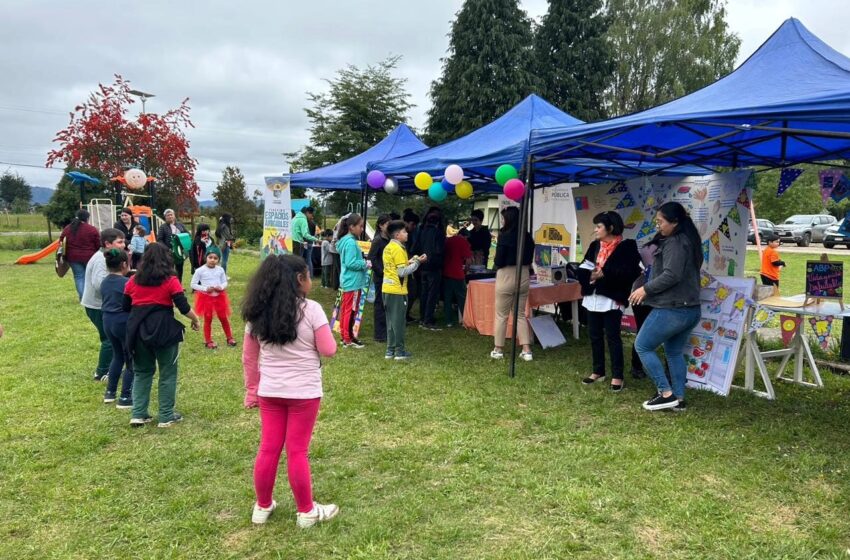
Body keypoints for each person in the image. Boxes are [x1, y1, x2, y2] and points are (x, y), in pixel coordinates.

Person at [241, 254, 340, 528]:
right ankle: (306, 511)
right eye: (309, 275)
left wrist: (252, 390)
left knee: (269, 448)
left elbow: (249, 358)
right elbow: (329, 350)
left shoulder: (256, 312)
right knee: (297, 451)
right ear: (300, 279)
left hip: (269, 391)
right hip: (304, 393)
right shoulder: (312, 310)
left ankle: (262, 506)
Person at [628, 202, 703, 412]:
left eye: (661, 221)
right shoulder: (688, 240)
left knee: (642, 346)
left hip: (674, 308)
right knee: (674, 352)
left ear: (675, 222)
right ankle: (678, 399)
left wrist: (645, 289)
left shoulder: (675, 242)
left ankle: (666, 393)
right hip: (689, 309)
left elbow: (671, 275)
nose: (658, 226)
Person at [124, 242, 200, 427]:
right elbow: (183, 307)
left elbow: (125, 306)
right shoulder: (170, 280)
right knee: (167, 372)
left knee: (142, 372)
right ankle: (166, 415)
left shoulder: (132, 281)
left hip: (138, 332)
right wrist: (195, 319)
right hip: (164, 331)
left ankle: (138, 413)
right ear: (167, 258)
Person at [577, 211, 642, 392]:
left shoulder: (626, 247)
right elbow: (584, 265)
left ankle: (617, 376)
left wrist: (604, 273)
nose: (595, 230)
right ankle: (598, 371)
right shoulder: (594, 246)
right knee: (594, 335)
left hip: (612, 298)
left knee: (613, 337)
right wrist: (589, 275)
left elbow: (629, 271)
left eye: (599, 226)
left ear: (610, 228)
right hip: (593, 296)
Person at [81, 228, 126, 382]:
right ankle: (102, 372)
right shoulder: (101, 259)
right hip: (97, 305)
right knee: (108, 339)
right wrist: (118, 282)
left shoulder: (105, 256)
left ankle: (110, 368)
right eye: (119, 242)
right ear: (107, 243)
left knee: (110, 338)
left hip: (101, 304)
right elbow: (99, 283)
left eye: (123, 241)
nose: (123, 245)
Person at [491, 206, 535, 361]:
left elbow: (498, 261)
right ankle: (526, 349)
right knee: (520, 314)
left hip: (506, 274)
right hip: (523, 274)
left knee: (501, 314)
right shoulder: (527, 237)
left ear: (508, 219)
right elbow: (529, 259)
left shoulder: (505, 237)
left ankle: (498, 349)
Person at [382, 220, 426, 360]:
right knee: (399, 323)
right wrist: (418, 262)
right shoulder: (399, 249)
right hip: (397, 291)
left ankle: (390, 350)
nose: (407, 234)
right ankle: (399, 352)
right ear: (397, 235)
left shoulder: (389, 247)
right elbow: (402, 272)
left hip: (387, 289)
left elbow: (396, 268)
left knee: (390, 323)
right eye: (404, 232)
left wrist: (412, 260)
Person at [100, 248, 134, 409]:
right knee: (131, 360)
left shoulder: (105, 281)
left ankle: (110, 393)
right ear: (124, 264)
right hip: (123, 323)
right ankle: (126, 397)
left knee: (117, 355)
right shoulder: (127, 283)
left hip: (107, 321)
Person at [191, 245, 235, 349]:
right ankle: (208, 341)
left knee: (223, 318)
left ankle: (229, 338)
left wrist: (221, 286)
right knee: (208, 319)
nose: (212, 260)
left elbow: (225, 282)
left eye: (215, 258)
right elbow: (193, 284)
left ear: (219, 260)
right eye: (210, 257)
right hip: (206, 298)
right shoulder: (200, 270)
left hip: (219, 297)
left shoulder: (220, 270)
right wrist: (206, 288)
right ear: (206, 257)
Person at [336, 213, 370, 348]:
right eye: (360, 226)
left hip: (348, 280)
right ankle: (348, 338)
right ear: (351, 227)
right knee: (351, 310)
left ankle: (345, 336)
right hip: (353, 282)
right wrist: (365, 263)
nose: (362, 229)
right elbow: (351, 263)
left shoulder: (345, 240)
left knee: (346, 309)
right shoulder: (350, 242)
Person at [629, 241, 659, 380]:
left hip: (639, 291)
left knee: (642, 331)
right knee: (644, 332)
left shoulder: (648, 246)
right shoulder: (665, 247)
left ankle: (636, 367)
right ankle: (637, 367)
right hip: (648, 294)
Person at [413, 207, 446, 330]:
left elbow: (415, 247)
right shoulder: (438, 233)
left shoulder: (422, 231)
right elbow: (439, 250)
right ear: (438, 222)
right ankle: (428, 319)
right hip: (434, 266)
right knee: (432, 294)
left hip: (423, 266)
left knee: (424, 293)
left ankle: (423, 318)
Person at [59, 209, 101, 300]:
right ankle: (90, 297)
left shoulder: (68, 228)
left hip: (72, 257)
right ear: (87, 218)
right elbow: (98, 244)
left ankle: (82, 297)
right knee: (90, 277)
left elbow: (62, 241)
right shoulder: (92, 229)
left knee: (79, 277)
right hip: (89, 257)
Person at [367, 215, 391, 342]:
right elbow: (371, 259)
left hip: (389, 276)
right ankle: (379, 334)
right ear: (381, 226)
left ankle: (386, 330)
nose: (389, 226)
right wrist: (381, 271)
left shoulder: (389, 239)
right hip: (381, 276)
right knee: (380, 304)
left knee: (387, 304)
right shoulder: (377, 240)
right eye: (387, 224)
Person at [442, 229, 472, 327]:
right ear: (465, 236)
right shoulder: (464, 242)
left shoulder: (448, 240)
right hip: (458, 273)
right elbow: (468, 260)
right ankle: (465, 319)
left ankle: (448, 321)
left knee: (448, 298)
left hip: (446, 272)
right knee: (462, 297)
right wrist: (466, 270)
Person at [156, 209, 188, 283]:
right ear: (165, 217)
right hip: (168, 253)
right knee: (169, 270)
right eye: (168, 215)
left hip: (180, 252)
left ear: (174, 216)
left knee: (180, 269)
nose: (170, 216)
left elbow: (187, 235)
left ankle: (179, 285)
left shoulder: (180, 225)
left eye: (171, 215)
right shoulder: (163, 227)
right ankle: (170, 285)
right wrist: (167, 249)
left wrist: (184, 246)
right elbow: (159, 240)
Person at [402, 211, 420, 323]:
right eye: (413, 225)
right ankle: (403, 315)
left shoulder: (410, 234)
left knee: (412, 291)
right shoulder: (401, 234)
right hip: (403, 267)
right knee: (410, 291)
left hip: (408, 264)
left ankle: (405, 314)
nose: (414, 228)